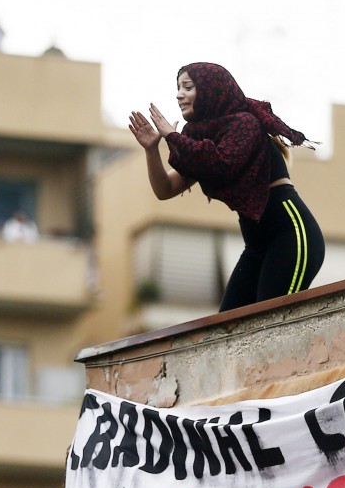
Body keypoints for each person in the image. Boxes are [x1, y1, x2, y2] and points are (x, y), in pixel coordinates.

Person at [128, 63, 325, 312]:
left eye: (187, 87)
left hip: (292, 234)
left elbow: (221, 163)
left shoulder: (245, 123)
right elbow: (165, 189)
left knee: (270, 321)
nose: (179, 94)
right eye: (178, 88)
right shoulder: (198, 140)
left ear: (211, 90)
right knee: (228, 325)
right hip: (256, 245)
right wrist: (151, 149)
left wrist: (173, 137)